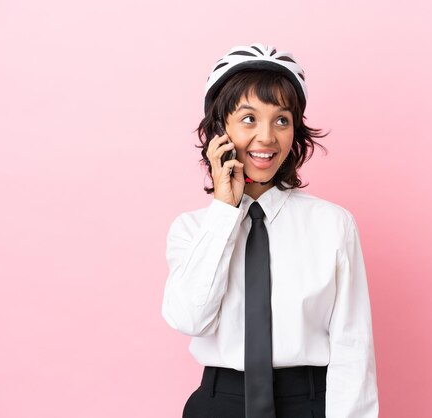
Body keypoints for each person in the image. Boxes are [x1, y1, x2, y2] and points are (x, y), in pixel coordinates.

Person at [162, 43, 379, 418]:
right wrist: (224, 212)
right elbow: (189, 319)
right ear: (219, 131)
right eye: (248, 119)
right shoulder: (192, 229)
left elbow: (353, 344)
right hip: (220, 404)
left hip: (308, 403)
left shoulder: (333, 224)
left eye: (281, 120)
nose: (266, 136)